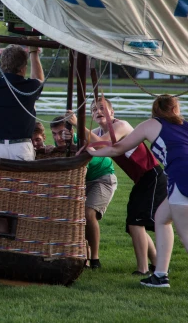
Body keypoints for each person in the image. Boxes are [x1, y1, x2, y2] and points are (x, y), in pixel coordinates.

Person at [85, 95, 188, 292]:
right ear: (176, 110)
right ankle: (160, 274)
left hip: (183, 175)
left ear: (154, 110)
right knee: (161, 218)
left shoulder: (151, 124)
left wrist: (93, 152)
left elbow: (117, 148)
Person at [71, 98, 167, 275]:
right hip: (142, 180)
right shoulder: (98, 131)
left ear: (112, 112)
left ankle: (143, 269)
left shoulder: (121, 126)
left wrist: (78, 124)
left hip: (153, 176)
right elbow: (86, 143)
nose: (98, 111)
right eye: (94, 110)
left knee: (135, 223)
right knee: (134, 225)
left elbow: (102, 143)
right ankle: (155, 263)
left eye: (102, 108)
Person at [51, 115, 116, 268]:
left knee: (88, 213)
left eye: (60, 132)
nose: (57, 137)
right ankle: (82, 254)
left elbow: (85, 160)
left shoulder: (80, 140)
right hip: (82, 181)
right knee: (74, 215)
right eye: (54, 134)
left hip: (102, 178)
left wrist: (73, 145)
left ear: (70, 130)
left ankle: (94, 258)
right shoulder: (60, 143)